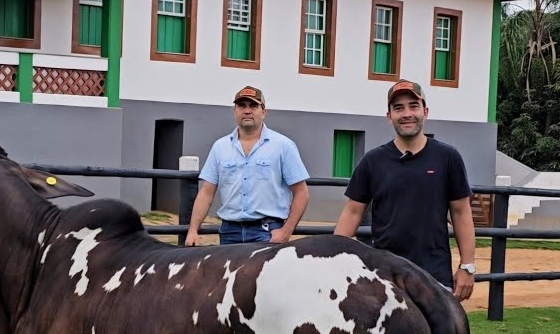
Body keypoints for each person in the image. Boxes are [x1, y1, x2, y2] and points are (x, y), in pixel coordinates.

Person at [333, 79, 477, 300]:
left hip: (434, 275)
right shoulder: (373, 161)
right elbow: (352, 211)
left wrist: (467, 267)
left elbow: (461, 212)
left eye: (413, 106)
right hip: (383, 276)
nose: (407, 113)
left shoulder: (448, 158)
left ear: (425, 111)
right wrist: (333, 259)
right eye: (398, 108)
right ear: (389, 116)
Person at [185, 86, 310, 246]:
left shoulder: (283, 146)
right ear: (234, 111)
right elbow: (206, 193)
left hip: (267, 232)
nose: (247, 110)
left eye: (253, 106)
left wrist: (286, 231)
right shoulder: (220, 147)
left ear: (264, 112)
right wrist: (193, 230)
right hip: (229, 232)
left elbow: (301, 192)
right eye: (241, 106)